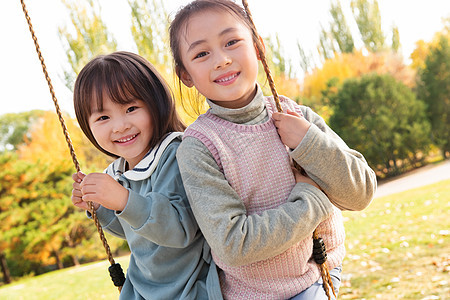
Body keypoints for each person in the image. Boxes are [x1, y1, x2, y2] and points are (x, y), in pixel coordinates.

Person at [169, 1, 377, 299]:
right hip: (252, 293)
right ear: (186, 75)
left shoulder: (296, 116)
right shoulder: (199, 146)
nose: (222, 60)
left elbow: (361, 193)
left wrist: (309, 142)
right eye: (202, 53)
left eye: (232, 42)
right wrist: (311, 202)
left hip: (315, 278)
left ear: (258, 47)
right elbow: (233, 243)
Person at [70, 51, 223, 300]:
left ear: (156, 103)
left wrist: (122, 199)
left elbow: (179, 229)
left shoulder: (174, 154)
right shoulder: (121, 170)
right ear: (88, 126)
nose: (120, 125)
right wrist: (102, 206)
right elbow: (139, 230)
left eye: (131, 108)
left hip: (190, 288)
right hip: (143, 288)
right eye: (103, 117)